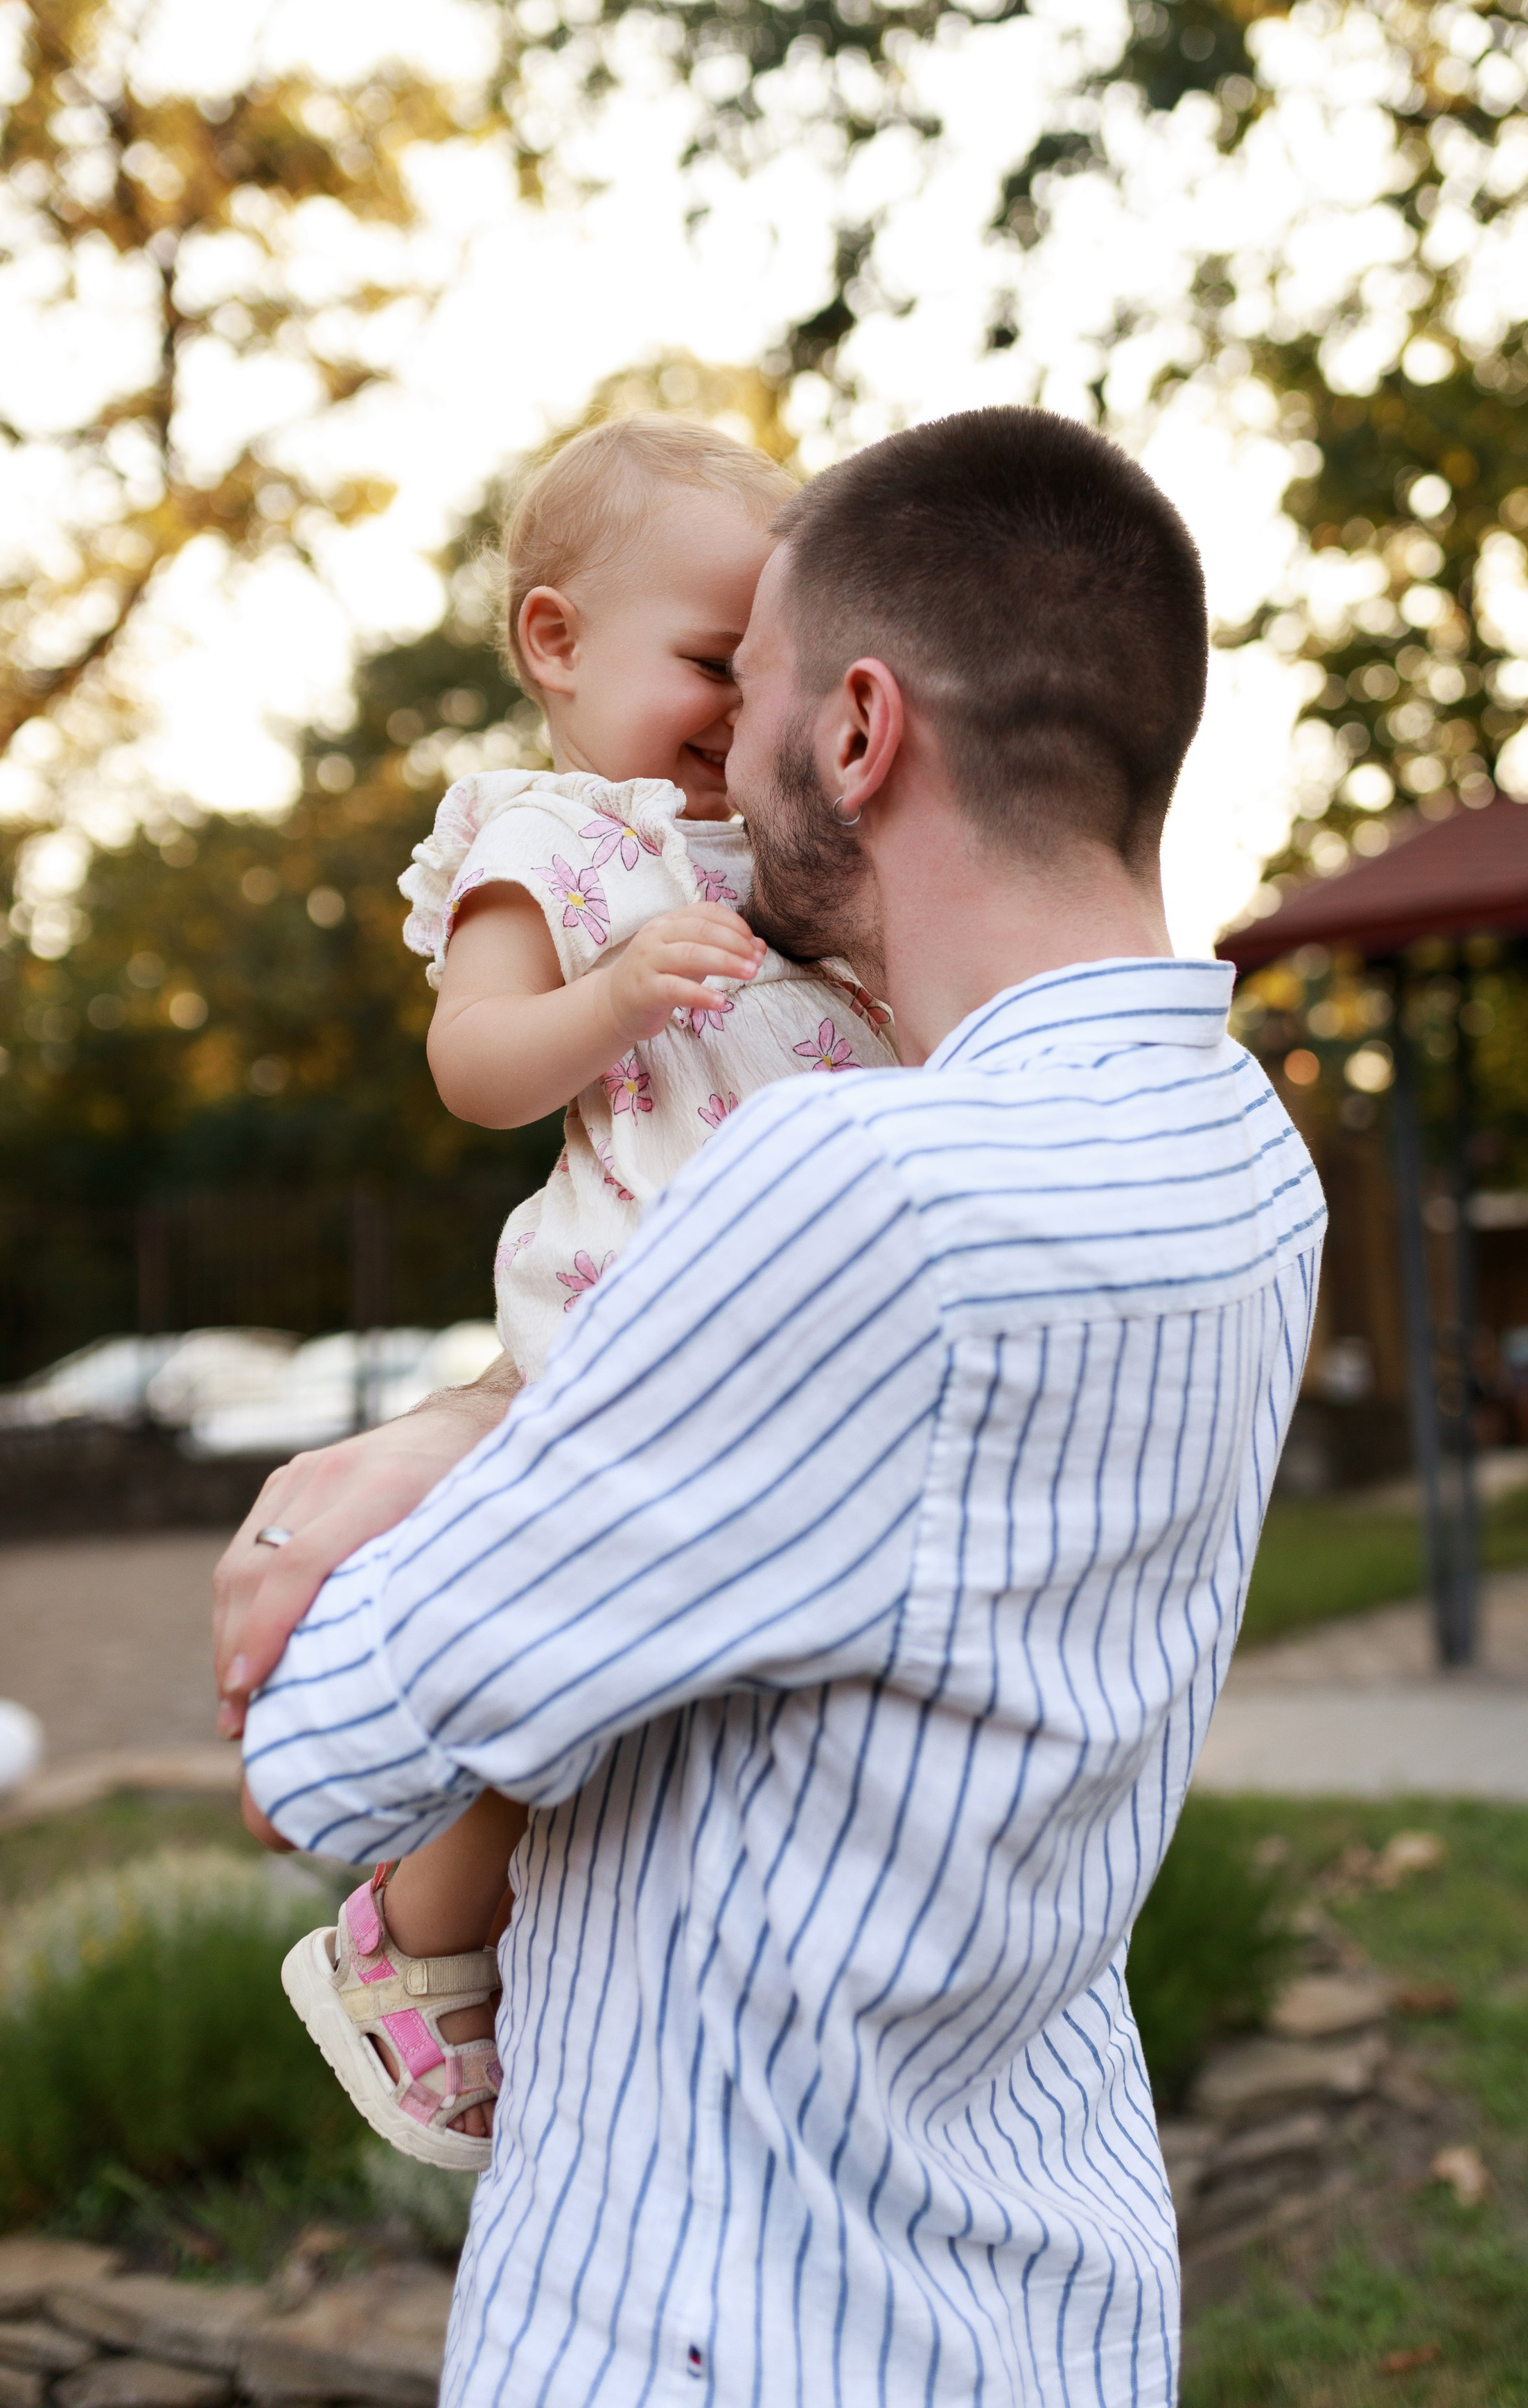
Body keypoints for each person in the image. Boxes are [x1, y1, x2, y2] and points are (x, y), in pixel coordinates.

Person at [220, 405, 1325, 2407]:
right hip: (1049, 2281)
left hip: (720, 2309)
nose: (716, 761)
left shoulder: (851, 1184)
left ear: (860, 732)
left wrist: (444, 1446)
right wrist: (488, 1413)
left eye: (754, 692)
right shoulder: (1243, 1162)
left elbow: (319, 1742)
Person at [276, 416, 895, 2170]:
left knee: (671, 1683)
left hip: (768, 1315)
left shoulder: (769, 841)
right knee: (576, 1663)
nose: (733, 709)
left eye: (757, 671)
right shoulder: (548, 839)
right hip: (628, 1307)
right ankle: (410, 1930)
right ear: (556, 642)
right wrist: (617, 994)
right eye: (707, 661)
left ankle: (571, 1935)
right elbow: (474, 1063)